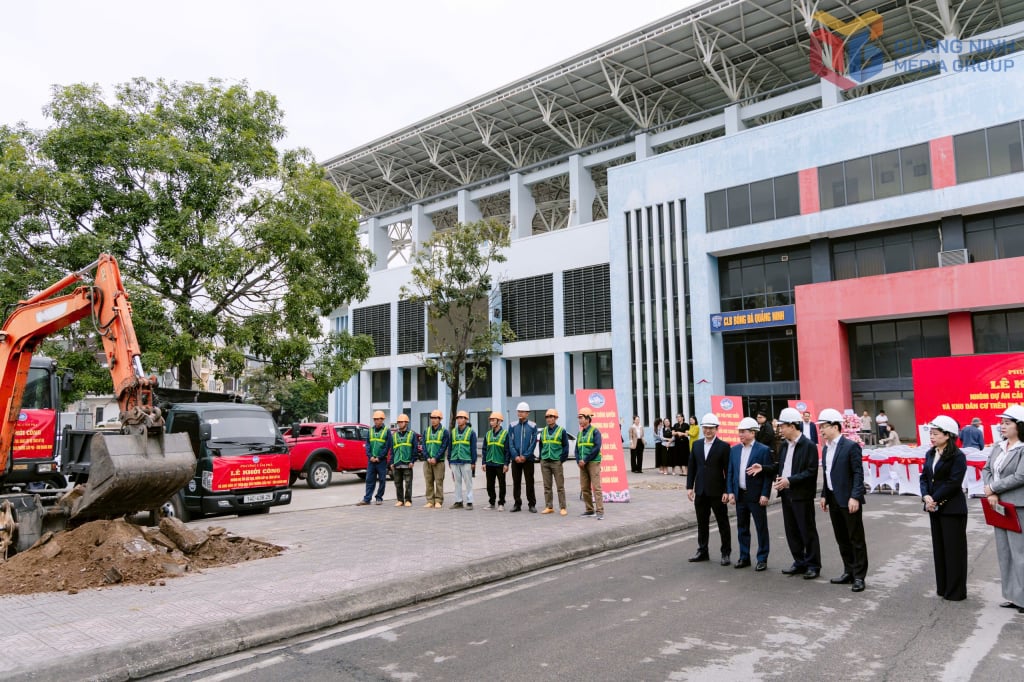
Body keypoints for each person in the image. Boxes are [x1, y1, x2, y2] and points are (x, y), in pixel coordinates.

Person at [766, 407, 821, 578]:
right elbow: (780, 466)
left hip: (802, 494)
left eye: (782, 426)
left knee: (807, 530)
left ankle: (813, 565)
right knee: (791, 530)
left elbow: (811, 471)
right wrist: (764, 468)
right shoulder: (784, 446)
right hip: (786, 493)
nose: (780, 430)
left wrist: (790, 480)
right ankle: (799, 561)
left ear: (792, 426)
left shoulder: (809, 446)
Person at [818, 408, 868, 593]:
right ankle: (848, 570)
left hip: (849, 500)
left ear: (835, 426)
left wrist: (855, 496)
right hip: (833, 499)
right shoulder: (825, 448)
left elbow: (857, 473)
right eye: (820, 427)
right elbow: (827, 473)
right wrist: (824, 495)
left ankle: (859, 576)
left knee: (855, 538)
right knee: (841, 538)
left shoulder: (850, 446)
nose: (821, 430)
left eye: (824, 426)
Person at [921, 415, 968, 601]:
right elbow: (924, 476)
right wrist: (926, 496)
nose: (932, 437)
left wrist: (934, 498)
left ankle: (955, 591)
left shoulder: (957, 456)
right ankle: (943, 587)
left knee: (954, 550)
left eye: (936, 433)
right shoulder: (931, 453)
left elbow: (953, 483)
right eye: (931, 433)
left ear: (948, 435)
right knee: (939, 549)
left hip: (952, 509)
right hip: (934, 507)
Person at [982, 405, 1024, 613]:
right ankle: (1012, 595)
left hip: (1018, 505)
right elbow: (987, 468)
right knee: (1005, 551)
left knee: (1020, 552)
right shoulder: (999, 446)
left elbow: (1020, 476)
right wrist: (992, 492)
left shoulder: (1023, 448)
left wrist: (993, 487)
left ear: (1019, 426)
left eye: (1008, 423)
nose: (1002, 426)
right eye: (1002, 423)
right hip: (998, 504)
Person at [726, 417, 773, 571]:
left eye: (743, 432)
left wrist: (765, 494)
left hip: (756, 495)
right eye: (739, 432)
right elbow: (731, 472)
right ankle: (744, 556)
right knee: (742, 527)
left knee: (761, 528)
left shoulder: (763, 450)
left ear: (753, 433)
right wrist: (731, 492)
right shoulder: (734, 450)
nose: (740, 434)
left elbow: (767, 475)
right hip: (740, 495)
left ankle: (762, 558)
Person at [686, 413, 732, 565]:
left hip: (718, 492)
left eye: (711, 428)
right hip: (700, 491)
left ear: (716, 429)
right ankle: (702, 550)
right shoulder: (697, 445)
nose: (708, 431)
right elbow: (692, 467)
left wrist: (727, 490)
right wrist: (689, 487)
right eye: (705, 428)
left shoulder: (724, 447)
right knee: (702, 523)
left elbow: (728, 471)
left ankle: (725, 553)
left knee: (722, 523)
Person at [539, 408, 571, 515]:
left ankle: (563, 507)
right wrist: (541, 458)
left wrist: (561, 460)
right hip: (545, 462)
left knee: (560, 486)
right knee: (547, 486)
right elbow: (541, 446)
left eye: (551, 417)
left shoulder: (561, 431)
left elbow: (565, 447)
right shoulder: (543, 431)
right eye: (547, 417)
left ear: (555, 418)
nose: (549, 419)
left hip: (556, 462)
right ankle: (549, 506)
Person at [508, 402, 539, 512]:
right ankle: (517, 504)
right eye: (518, 411)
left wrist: (525, 456)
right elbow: (510, 442)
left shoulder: (533, 426)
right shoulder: (512, 425)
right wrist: (515, 455)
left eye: (522, 411)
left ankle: (532, 504)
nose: (520, 413)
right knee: (516, 482)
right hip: (515, 459)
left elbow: (533, 442)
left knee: (529, 482)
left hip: (528, 459)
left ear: (527, 413)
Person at [357, 410, 392, 506]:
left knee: (382, 480)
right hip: (371, 461)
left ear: (382, 420)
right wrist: (370, 456)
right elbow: (367, 444)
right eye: (375, 419)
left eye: (378, 419)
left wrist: (379, 457)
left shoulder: (387, 431)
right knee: (369, 479)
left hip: (381, 461)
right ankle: (367, 499)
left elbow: (387, 446)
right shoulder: (370, 430)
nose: (376, 421)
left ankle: (379, 497)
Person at [576, 406, 605, 519]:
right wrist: (579, 461)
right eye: (579, 418)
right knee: (584, 488)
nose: (579, 420)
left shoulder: (595, 432)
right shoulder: (580, 433)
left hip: (593, 462)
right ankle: (589, 510)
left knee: (596, 487)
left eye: (581, 418)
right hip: (582, 464)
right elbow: (576, 450)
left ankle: (600, 511)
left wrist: (585, 460)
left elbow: (596, 448)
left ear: (588, 419)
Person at [389, 414, 421, 507]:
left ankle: (408, 500)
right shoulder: (394, 435)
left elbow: (415, 449)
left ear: (406, 423)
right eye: (398, 422)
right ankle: (400, 500)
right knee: (397, 483)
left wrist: (412, 461)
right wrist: (391, 462)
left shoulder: (412, 434)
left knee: (408, 483)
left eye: (401, 422)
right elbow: (392, 450)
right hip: (397, 462)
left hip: (407, 462)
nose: (400, 424)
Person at [448, 410, 477, 510]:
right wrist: (449, 459)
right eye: (458, 418)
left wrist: (473, 461)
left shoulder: (471, 432)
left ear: (466, 419)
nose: (459, 420)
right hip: (455, 460)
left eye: (461, 418)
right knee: (457, 482)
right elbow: (450, 446)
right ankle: (458, 501)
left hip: (467, 460)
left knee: (468, 482)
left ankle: (469, 502)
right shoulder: (453, 432)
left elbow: (473, 448)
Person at [422, 409, 449, 508]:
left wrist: (436, 458)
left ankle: (438, 500)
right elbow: (424, 445)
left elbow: (444, 446)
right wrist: (427, 457)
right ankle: (430, 500)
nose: (433, 420)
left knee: (439, 481)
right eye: (432, 418)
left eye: (435, 418)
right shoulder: (426, 430)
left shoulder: (444, 432)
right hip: (427, 461)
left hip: (439, 462)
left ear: (440, 419)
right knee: (428, 481)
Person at [483, 411, 510, 511]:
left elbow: (507, 450)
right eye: (490, 420)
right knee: (489, 485)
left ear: (499, 421)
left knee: (501, 484)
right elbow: (484, 449)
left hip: (500, 463)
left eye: (493, 420)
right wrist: (483, 462)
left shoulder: (505, 434)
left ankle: (501, 503)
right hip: (489, 462)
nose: (491, 422)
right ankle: (491, 502)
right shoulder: (488, 434)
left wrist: (506, 464)